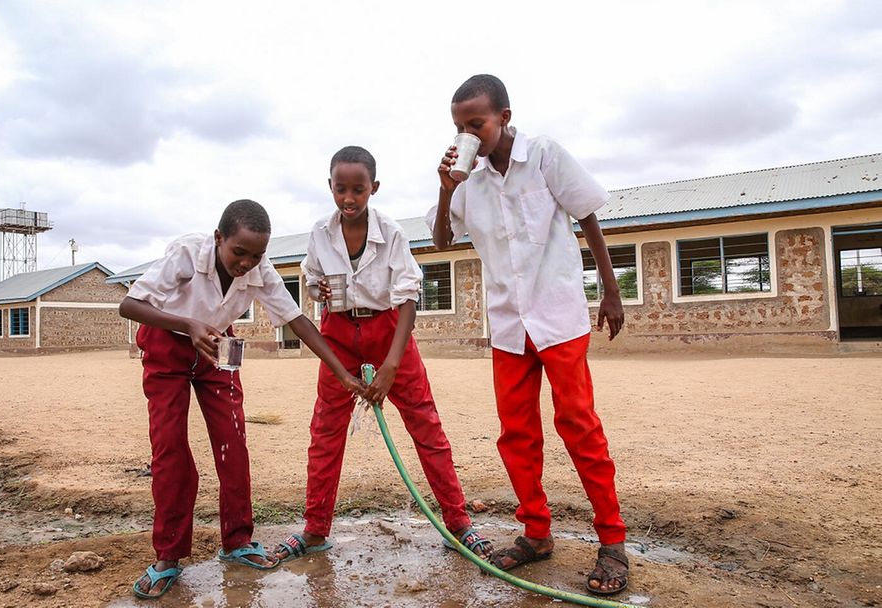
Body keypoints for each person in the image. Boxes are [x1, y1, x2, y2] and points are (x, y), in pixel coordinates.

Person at [428, 74, 629, 595]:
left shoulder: (543, 156)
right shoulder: (467, 182)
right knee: (516, 433)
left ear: (504, 118)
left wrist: (610, 291)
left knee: (579, 425)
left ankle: (612, 541)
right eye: (459, 126)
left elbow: (587, 216)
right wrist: (447, 187)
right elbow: (441, 241)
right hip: (508, 327)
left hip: (558, 317)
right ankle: (536, 533)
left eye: (477, 123)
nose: (468, 133)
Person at [120, 199, 365, 599]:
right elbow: (129, 304)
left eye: (256, 255)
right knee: (171, 450)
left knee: (233, 443)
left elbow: (296, 320)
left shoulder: (260, 271)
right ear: (219, 239)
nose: (246, 263)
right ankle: (168, 556)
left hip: (217, 344)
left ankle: (238, 541)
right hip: (168, 344)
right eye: (239, 252)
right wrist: (188, 324)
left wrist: (341, 371)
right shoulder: (185, 255)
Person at [273, 146, 492, 564]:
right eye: (341, 189)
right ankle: (315, 529)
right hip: (337, 332)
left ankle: (458, 523)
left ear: (374, 188)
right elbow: (310, 272)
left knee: (426, 426)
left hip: (389, 331)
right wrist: (319, 287)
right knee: (325, 434)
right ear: (330, 187)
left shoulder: (390, 232)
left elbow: (408, 296)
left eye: (358, 189)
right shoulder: (320, 232)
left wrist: (392, 364)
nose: (349, 198)